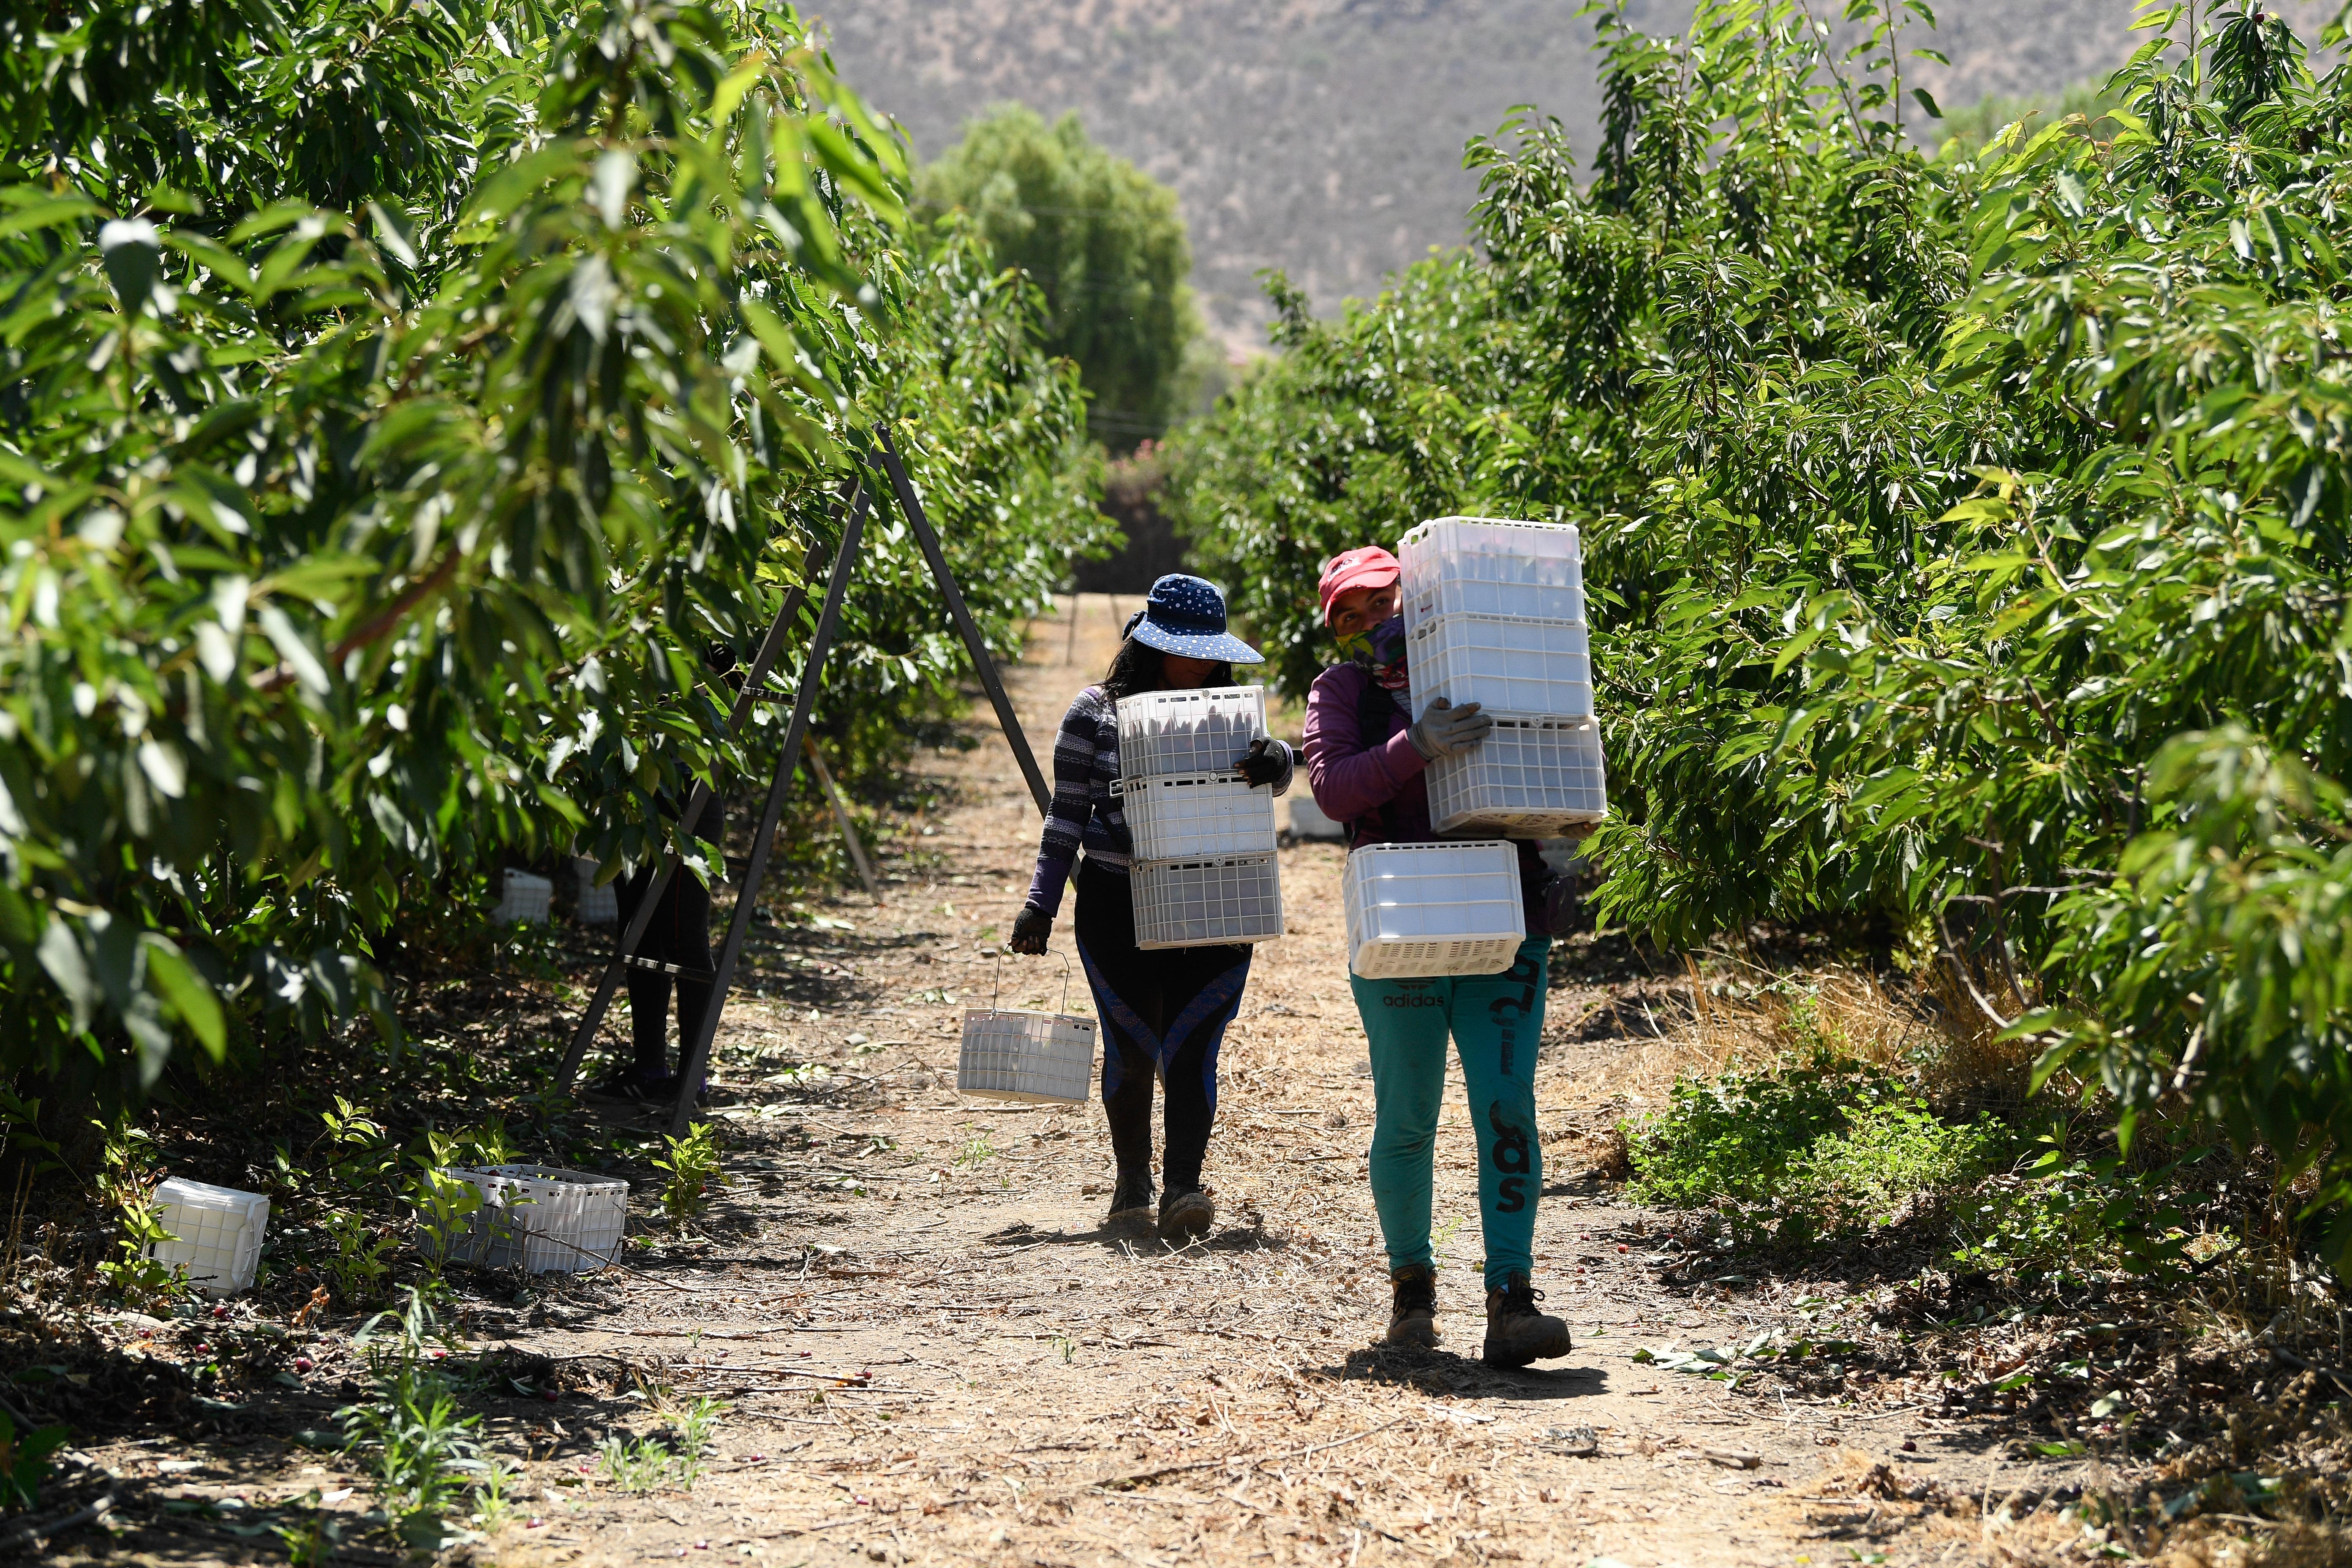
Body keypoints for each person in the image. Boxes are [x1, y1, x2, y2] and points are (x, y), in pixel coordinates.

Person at [1302, 545, 1578, 1369]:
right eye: (1349, 615)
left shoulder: (1490, 666)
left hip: (1508, 915)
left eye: (1379, 599)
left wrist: (1570, 805)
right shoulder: (1343, 690)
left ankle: (1512, 1299)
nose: (1368, 621)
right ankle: (1412, 1292)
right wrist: (1414, 744)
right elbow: (1333, 789)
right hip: (1403, 919)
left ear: (1417, 594)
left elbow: (1556, 743)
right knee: (1408, 1113)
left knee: (1507, 1103)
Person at [1010, 574, 1294, 1241]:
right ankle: (1132, 1182)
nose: (1196, 662)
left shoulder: (1228, 714)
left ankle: (1184, 1188)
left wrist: (1277, 760)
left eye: (1206, 650)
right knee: (1134, 1049)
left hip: (1216, 902)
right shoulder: (1094, 713)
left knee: (1193, 1049)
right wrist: (1040, 906)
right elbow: (1066, 817)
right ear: (1149, 645)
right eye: (1181, 649)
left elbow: (1280, 771)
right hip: (1117, 906)